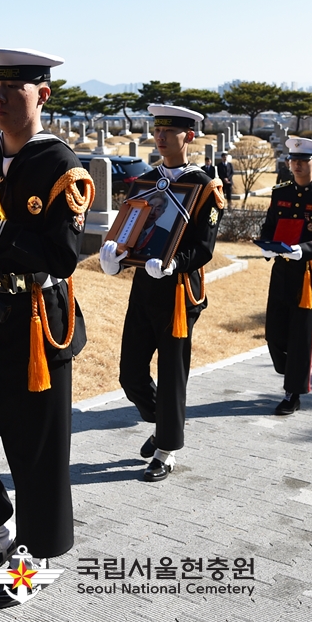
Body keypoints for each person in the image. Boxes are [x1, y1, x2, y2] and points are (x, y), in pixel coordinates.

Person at [0, 46, 94, 609]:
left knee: (35, 455)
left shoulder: (59, 166)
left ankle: (32, 560)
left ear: (42, 95)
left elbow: (60, 257)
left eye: (14, 90)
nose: (1, 100)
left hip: (35, 326)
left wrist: (0, 228)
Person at [101, 104, 223, 483]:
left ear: (189, 136)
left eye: (169, 131)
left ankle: (166, 449)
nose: (161, 137)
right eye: (157, 130)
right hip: (144, 285)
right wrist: (116, 254)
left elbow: (204, 246)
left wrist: (175, 263)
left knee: (171, 373)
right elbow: (132, 226)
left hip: (178, 291)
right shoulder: (146, 180)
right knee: (130, 373)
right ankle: (164, 424)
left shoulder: (204, 186)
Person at [256, 138, 312, 415]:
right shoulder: (280, 192)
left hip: (308, 276)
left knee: (300, 338)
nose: (296, 165)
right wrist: (265, 244)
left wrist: (304, 250)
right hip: (282, 271)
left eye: (303, 161)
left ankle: (292, 392)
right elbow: (270, 225)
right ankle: (288, 369)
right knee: (274, 334)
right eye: (293, 160)